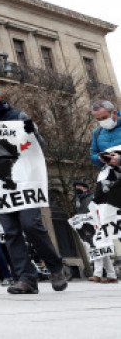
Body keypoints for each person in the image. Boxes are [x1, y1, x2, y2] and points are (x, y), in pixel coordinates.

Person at [0, 83, 67, 295]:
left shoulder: (17, 116)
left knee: (31, 225)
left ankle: (55, 266)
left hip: (24, 181)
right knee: (10, 232)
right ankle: (26, 278)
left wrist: (33, 134)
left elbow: (40, 146)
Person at [87, 101, 121, 283]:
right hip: (109, 179)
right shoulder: (97, 132)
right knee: (107, 221)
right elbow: (92, 153)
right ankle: (105, 272)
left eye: (104, 118)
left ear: (114, 113)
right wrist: (101, 159)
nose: (101, 122)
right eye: (97, 119)